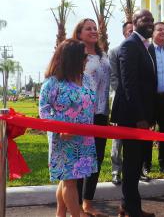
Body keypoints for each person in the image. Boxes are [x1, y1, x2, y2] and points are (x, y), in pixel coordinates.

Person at [39, 39, 98, 217]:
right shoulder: (53, 83)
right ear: (72, 58)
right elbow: (44, 110)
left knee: (68, 180)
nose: (87, 59)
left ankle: (60, 213)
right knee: (70, 182)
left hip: (85, 137)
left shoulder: (87, 79)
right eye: (83, 56)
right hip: (64, 140)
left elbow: (90, 105)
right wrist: (59, 128)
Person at [111, 9, 156, 217]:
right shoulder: (130, 45)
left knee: (135, 163)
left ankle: (127, 206)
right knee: (132, 163)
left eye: (152, 20)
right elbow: (129, 84)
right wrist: (140, 117)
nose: (150, 23)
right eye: (145, 19)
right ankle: (132, 209)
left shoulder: (144, 47)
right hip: (131, 116)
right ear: (135, 22)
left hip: (140, 115)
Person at [72, 18, 110, 217]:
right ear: (79, 34)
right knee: (80, 159)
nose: (94, 31)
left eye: (95, 28)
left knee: (97, 158)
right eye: (88, 29)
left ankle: (87, 202)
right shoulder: (76, 56)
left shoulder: (104, 56)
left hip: (101, 114)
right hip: (81, 115)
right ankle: (75, 204)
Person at [141, 21, 164, 179]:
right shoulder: (146, 51)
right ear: (152, 33)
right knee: (148, 132)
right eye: (159, 29)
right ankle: (146, 165)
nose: (162, 32)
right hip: (150, 99)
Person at [109, 21, 133, 185]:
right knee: (118, 137)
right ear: (124, 33)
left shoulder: (143, 51)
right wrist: (124, 96)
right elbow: (113, 77)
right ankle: (116, 171)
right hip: (119, 99)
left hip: (136, 101)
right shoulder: (114, 51)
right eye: (130, 31)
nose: (133, 33)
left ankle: (134, 171)